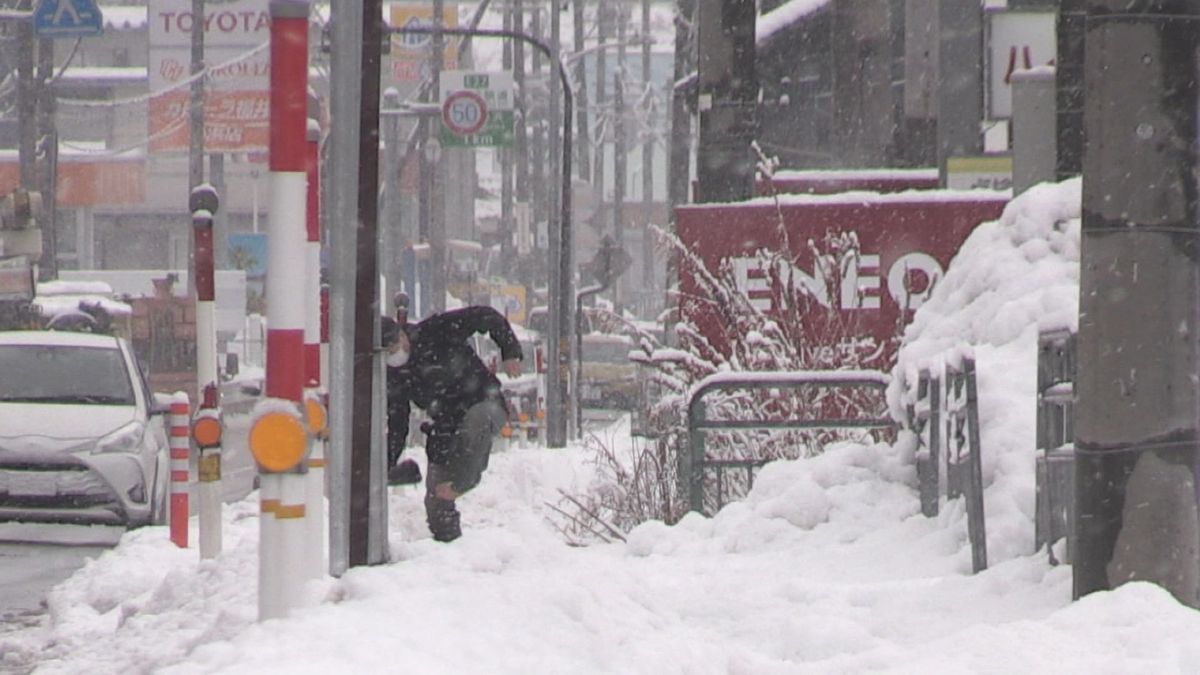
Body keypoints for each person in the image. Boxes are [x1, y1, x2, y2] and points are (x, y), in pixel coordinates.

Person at [384, 292, 523, 542]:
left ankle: (461, 483)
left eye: (395, 347)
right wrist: (388, 464)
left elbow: (485, 316)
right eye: (387, 354)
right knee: (436, 500)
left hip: (484, 401)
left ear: (402, 335)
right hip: (445, 424)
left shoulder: (436, 330)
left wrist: (510, 349)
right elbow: (397, 423)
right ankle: (450, 550)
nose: (395, 355)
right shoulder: (396, 376)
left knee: (475, 425)